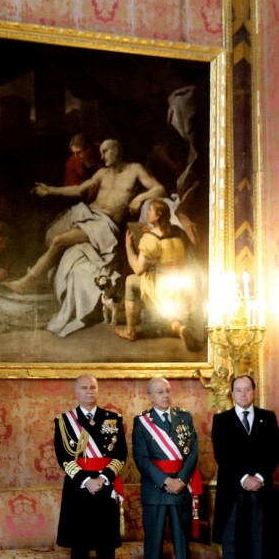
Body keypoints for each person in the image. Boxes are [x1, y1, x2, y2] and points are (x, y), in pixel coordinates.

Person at [6, 139, 166, 337]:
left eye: (106, 151)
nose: (102, 156)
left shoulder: (135, 170)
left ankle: (28, 281)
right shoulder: (102, 173)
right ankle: (42, 277)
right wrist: (50, 190)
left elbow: (159, 188)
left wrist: (138, 198)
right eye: (101, 152)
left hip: (104, 225)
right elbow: (78, 190)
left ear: (117, 150)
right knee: (51, 235)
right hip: (86, 214)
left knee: (59, 241)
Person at [54, 374, 127, 558]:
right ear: (76, 391)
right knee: (80, 547)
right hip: (78, 488)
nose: (89, 391)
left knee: (106, 547)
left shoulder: (113, 418)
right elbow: (63, 457)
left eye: (92, 387)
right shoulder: (64, 420)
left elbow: (121, 454)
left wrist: (102, 479)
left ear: (98, 390)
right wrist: (87, 481)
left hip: (106, 486)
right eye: (84, 388)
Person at [114, 199, 200, 351]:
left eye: (150, 210)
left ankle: (130, 331)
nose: (147, 213)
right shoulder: (178, 232)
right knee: (168, 316)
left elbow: (138, 269)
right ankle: (181, 330)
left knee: (130, 281)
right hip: (180, 285)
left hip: (161, 287)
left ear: (158, 215)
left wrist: (128, 246)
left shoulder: (150, 240)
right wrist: (152, 232)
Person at [132, 376, 201, 559]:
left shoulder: (184, 417)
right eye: (160, 392)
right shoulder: (142, 422)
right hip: (155, 490)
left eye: (168, 391)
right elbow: (141, 458)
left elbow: (193, 451)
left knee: (182, 546)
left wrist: (181, 480)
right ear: (150, 396)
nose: (165, 395)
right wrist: (164, 481)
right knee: (153, 546)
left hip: (181, 488)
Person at [211, 374, 279, 558]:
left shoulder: (268, 417)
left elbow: (274, 452)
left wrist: (259, 478)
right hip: (232, 492)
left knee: (261, 544)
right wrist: (244, 478)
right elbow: (222, 455)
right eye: (239, 390)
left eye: (247, 390)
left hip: (261, 491)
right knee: (233, 546)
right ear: (232, 393)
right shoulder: (221, 420)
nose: (243, 394)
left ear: (254, 392)